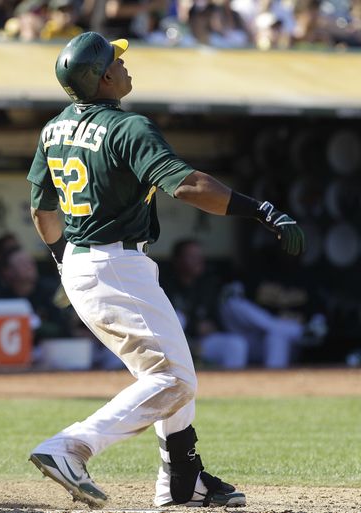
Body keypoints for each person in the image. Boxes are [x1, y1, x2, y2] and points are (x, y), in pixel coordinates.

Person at [26, 31, 304, 509]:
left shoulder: (53, 128)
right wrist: (261, 210)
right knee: (175, 379)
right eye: (117, 59)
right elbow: (189, 186)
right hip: (115, 263)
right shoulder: (128, 127)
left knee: (171, 368)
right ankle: (71, 447)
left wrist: (64, 262)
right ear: (105, 77)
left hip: (84, 260)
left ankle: (182, 478)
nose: (125, 64)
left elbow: (41, 211)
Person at [161, 239, 248, 369]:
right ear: (177, 260)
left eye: (200, 257)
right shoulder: (164, 284)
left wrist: (211, 326)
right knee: (178, 317)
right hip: (170, 346)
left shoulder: (207, 284)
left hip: (199, 343)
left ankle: (232, 387)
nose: (198, 261)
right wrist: (194, 326)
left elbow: (215, 320)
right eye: (192, 257)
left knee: (236, 344)